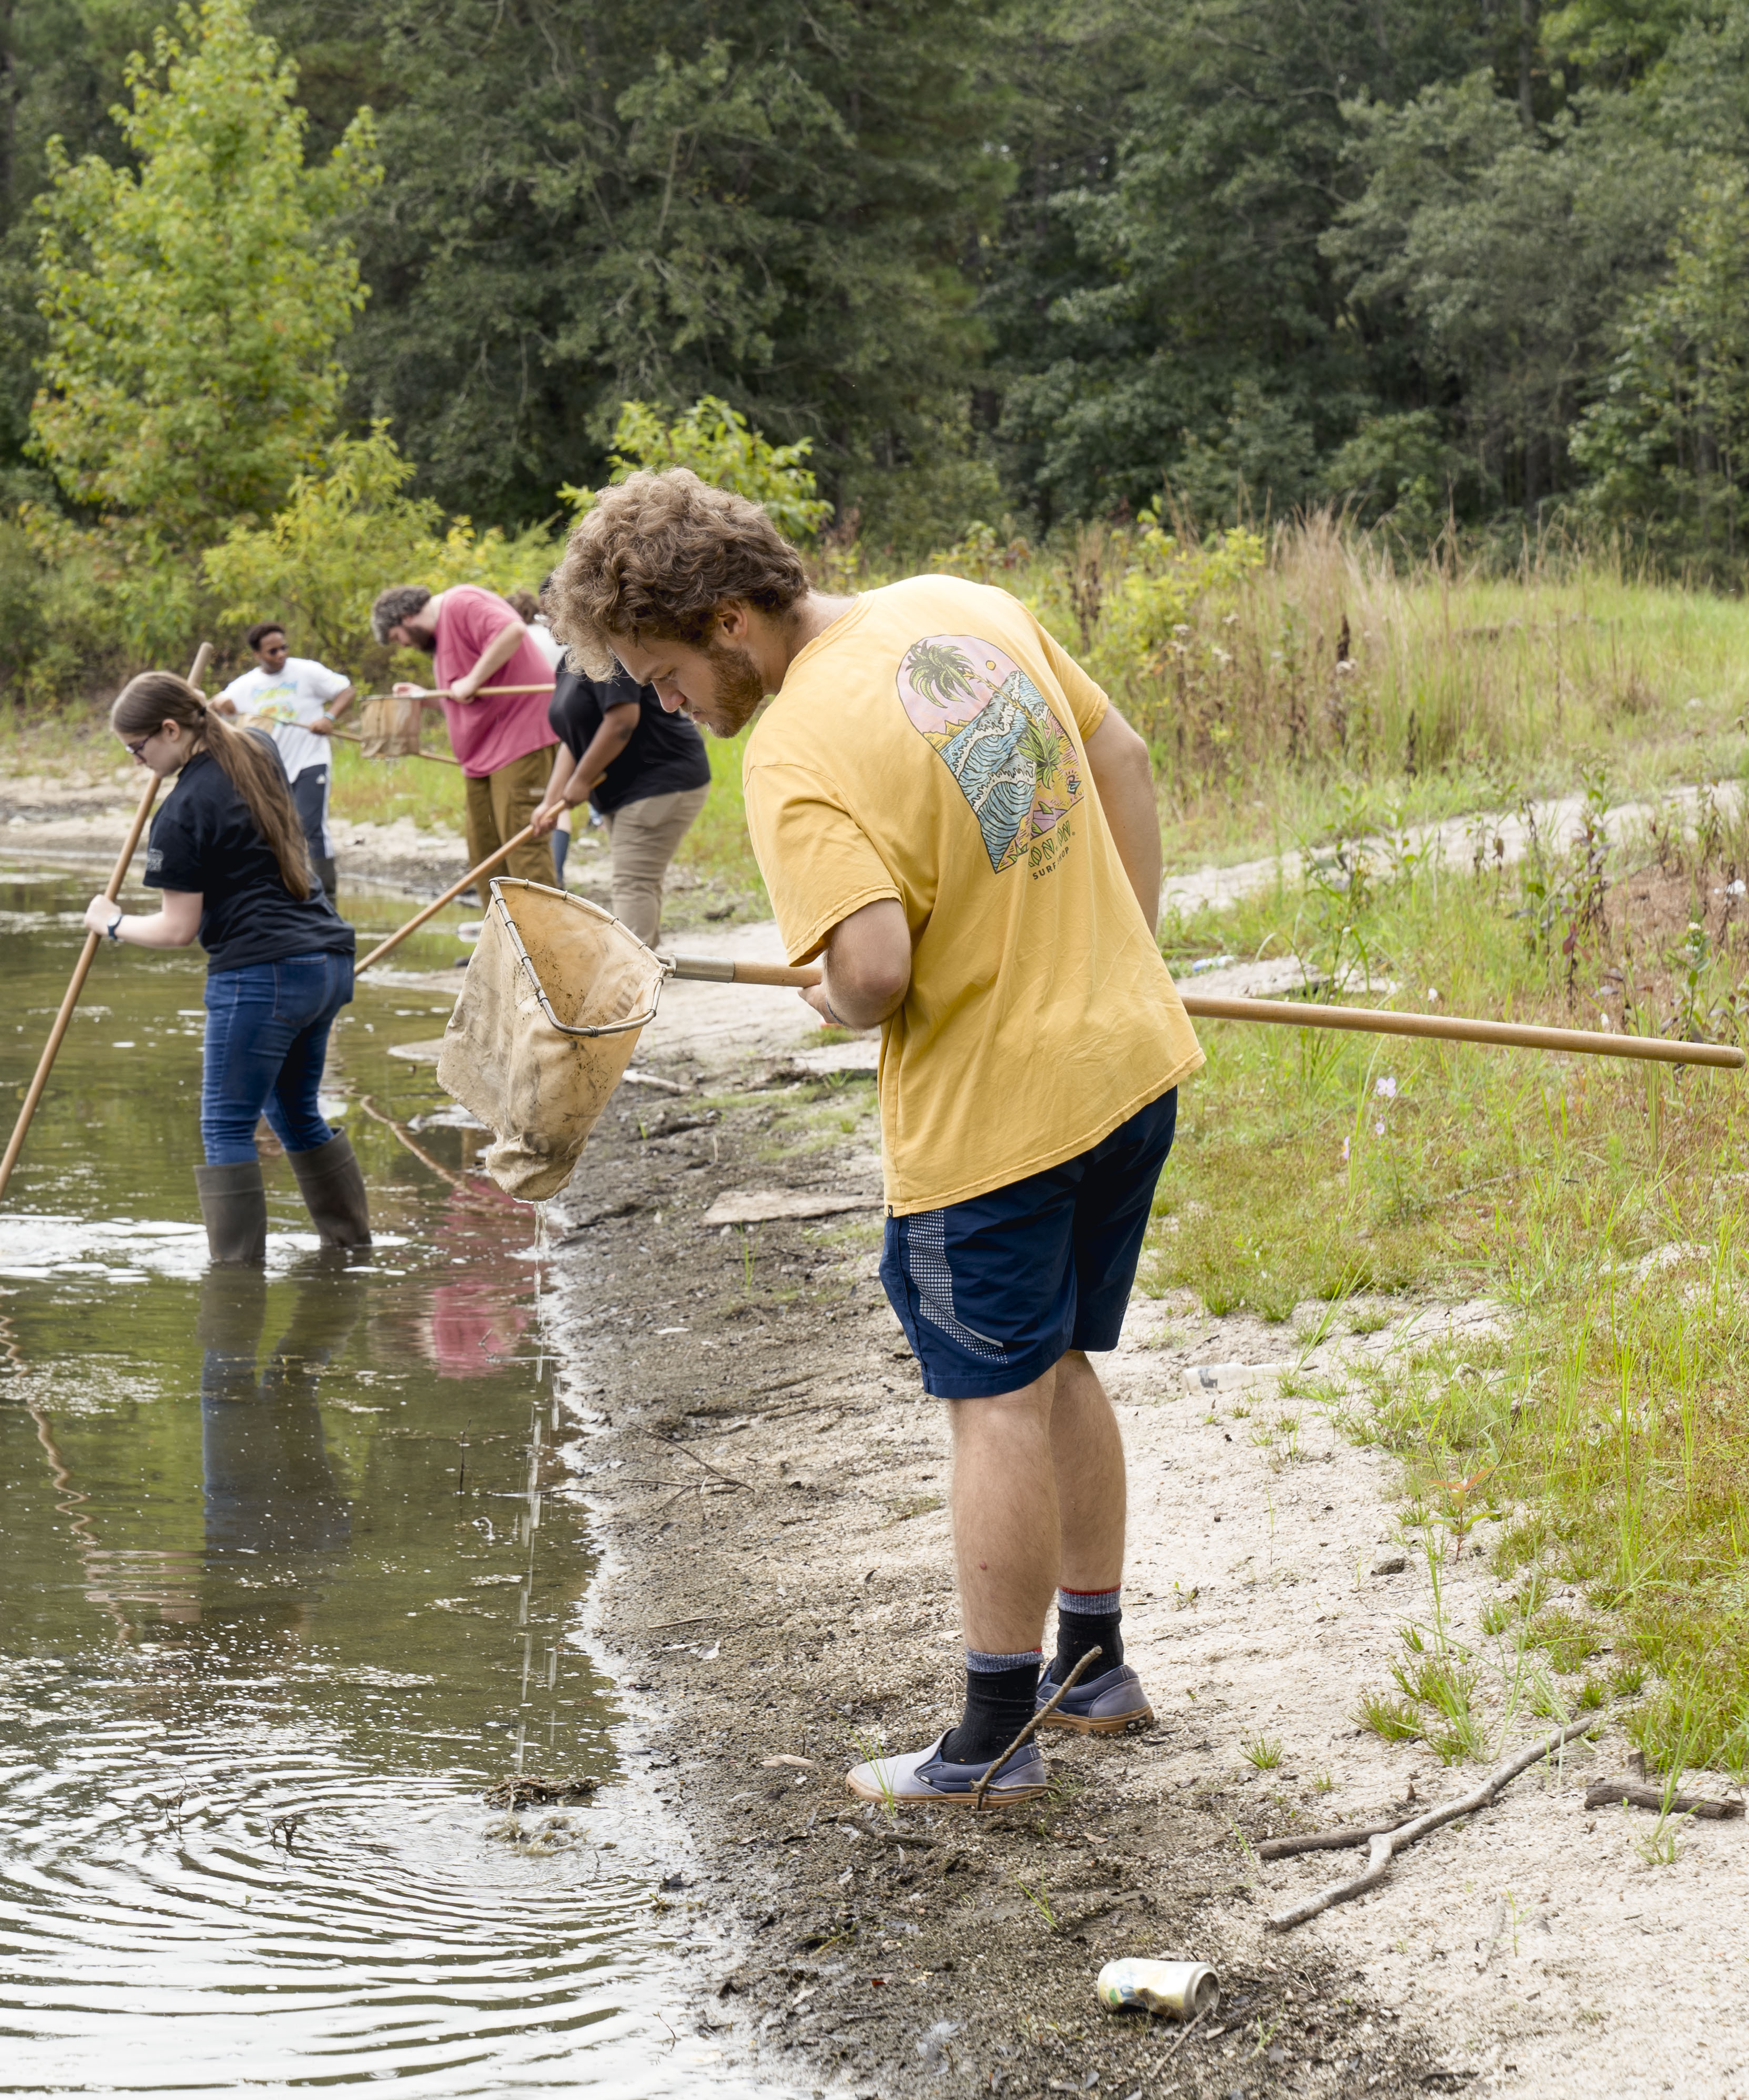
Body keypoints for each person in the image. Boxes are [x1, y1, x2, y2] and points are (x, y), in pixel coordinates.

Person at [546, 469, 1202, 1810]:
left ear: (732, 620)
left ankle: (989, 1740)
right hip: (1130, 1065)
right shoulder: (961, 602)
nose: (668, 705)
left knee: (994, 1399)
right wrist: (1121, 955)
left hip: (994, 1124)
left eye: (666, 674)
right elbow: (1121, 759)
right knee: (1062, 1356)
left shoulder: (793, 747)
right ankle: (1095, 1666)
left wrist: (831, 996)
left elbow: (878, 971)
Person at [88, 671, 370, 1264]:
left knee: (225, 1127)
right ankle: (349, 1249)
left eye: (139, 750)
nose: (138, 763)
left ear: (171, 729)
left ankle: (236, 1282)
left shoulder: (181, 813)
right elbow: (224, 736)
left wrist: (111, 923)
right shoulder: (257, 747)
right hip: (326, 961)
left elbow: (176, 928)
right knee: (294, 1112)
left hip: (264, 973)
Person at [372, 583, 559, 896]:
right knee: (485, 857)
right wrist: (425, 698)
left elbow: (512, 630)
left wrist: (472, 679)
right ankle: (500, 942)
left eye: (397, 638)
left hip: (519, 742)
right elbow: (465, 697)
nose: (403, 645)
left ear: (405, 618)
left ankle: (545, 944)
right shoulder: (440, 639)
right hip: (479, 758)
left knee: (522, 847)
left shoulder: (461, 602)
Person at [528, 640, 713, 947]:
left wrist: (582, 780)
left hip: (661, 780)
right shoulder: (570, 661)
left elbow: (622, 721)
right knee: (640, 880)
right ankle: (645, 964)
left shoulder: (612, 656)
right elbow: (573, 739)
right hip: (625, 789)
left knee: (633, 882)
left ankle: (630, 980)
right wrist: (552, 800)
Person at [213, 622, 353, 903]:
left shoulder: (307, 671)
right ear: (257, 654)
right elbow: (218, 704)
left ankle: (327, 896)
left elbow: (346, 690)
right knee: (273, 829)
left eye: (284, 648)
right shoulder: (247, 685)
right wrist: (221, 705)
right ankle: (287, 891)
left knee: (311, 826)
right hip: (271, 768)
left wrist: (329, 718)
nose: (281, 655)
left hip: (311, 761)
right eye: (272, 651)